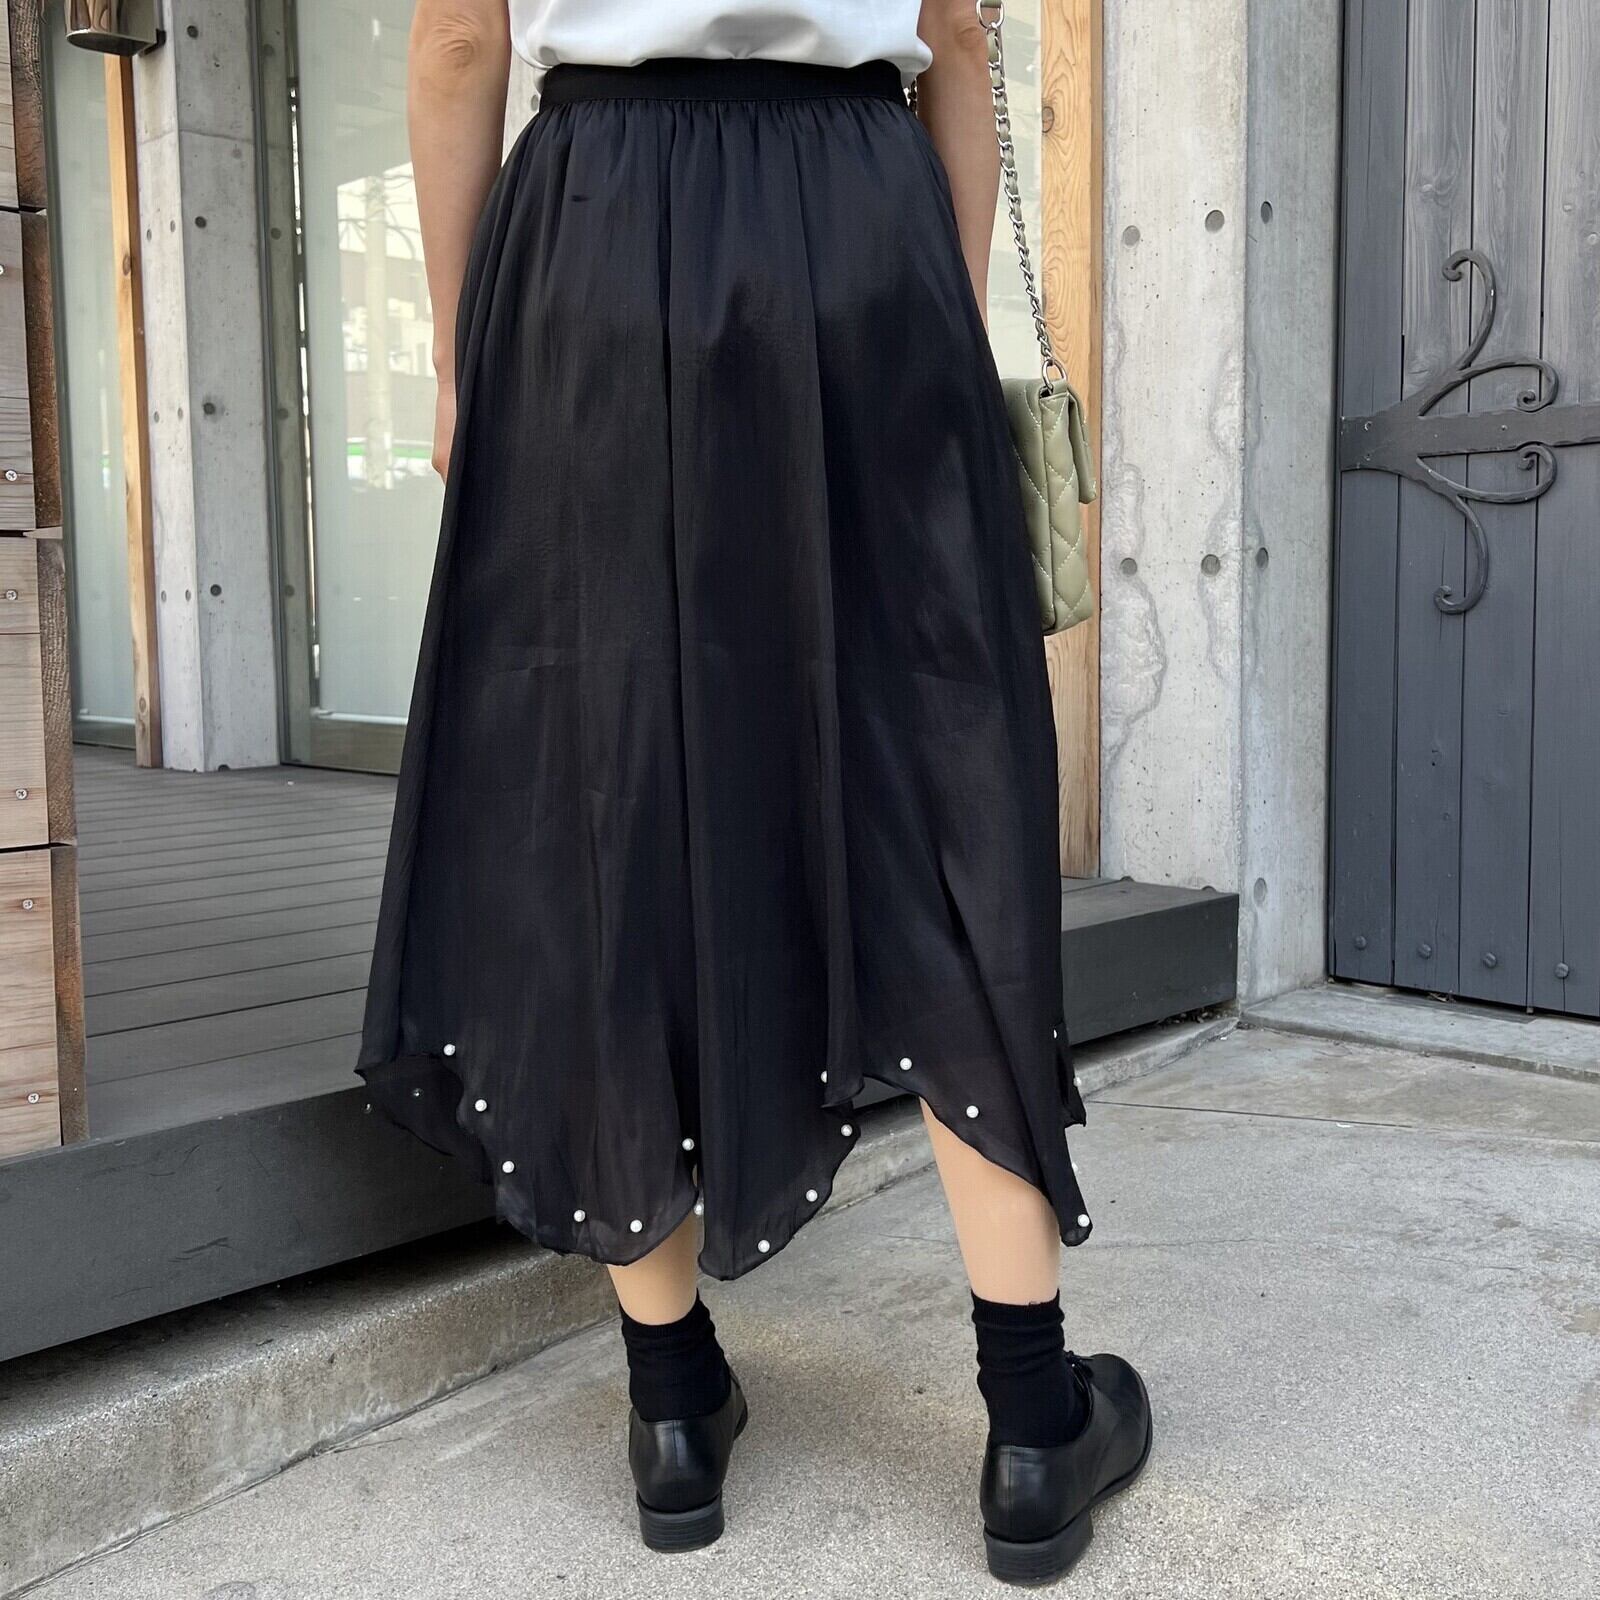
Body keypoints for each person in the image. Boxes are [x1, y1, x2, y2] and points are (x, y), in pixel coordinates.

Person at [358, 0, 1151, 1583]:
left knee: (610, 785)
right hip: (861, 219)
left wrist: (457, 348)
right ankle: (1029, 1420)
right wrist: (931, 315)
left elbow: (454, 43)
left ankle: (671, 1406)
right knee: (935, 783)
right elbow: (958, 40)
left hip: (592, 230)